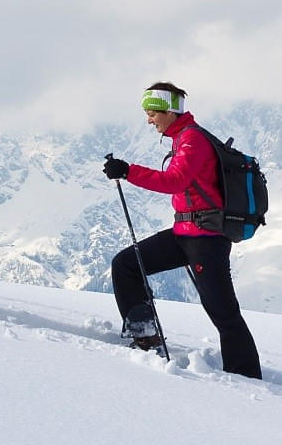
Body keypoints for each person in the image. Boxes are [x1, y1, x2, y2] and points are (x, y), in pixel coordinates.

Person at [102, 82, 261, 378]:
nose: (149, 120)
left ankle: (246, 377)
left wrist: (128, 171)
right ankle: (146, 337)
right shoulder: (182, 138)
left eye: (152, 112)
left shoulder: (193, 140)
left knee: (223, 313)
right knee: (125, 264)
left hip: (206, 240)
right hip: (185, 233)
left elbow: (174, 181)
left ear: (170, 110)